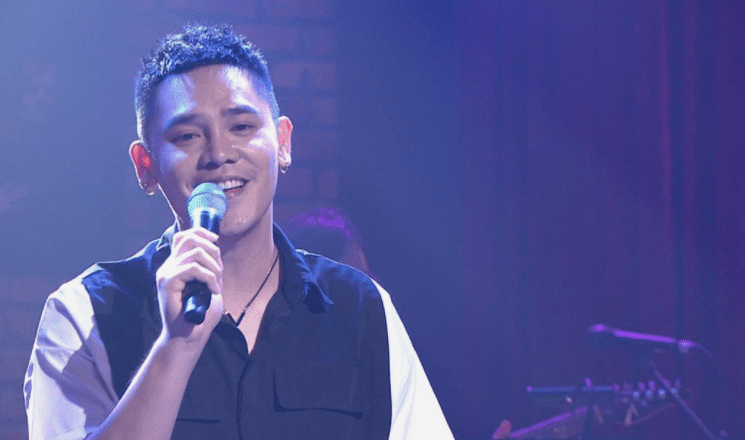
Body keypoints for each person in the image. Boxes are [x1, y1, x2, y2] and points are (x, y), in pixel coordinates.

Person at [24, 23, 453, 440]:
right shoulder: (83, 314)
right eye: (187, 136)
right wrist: (176, 346)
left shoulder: (362, 308)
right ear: (145, 166)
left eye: (242, 127)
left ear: (283, 143)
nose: (219, 154)